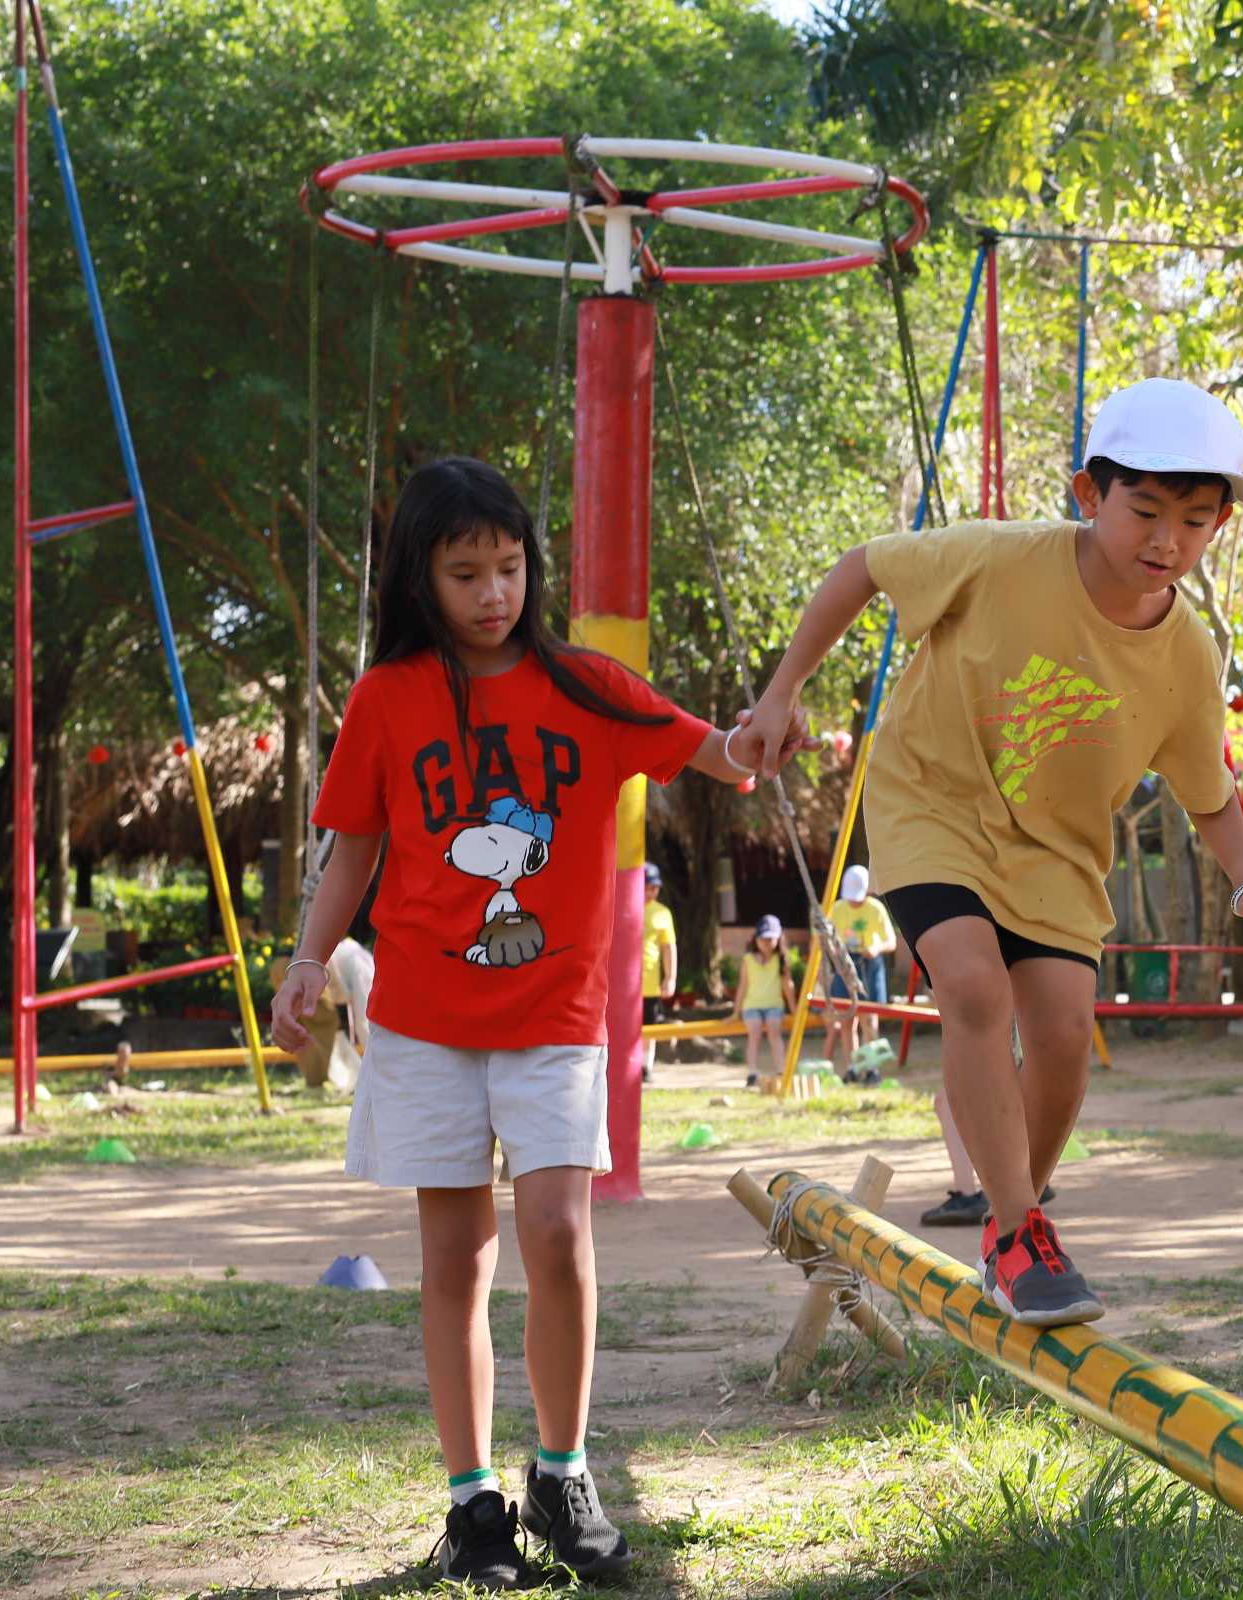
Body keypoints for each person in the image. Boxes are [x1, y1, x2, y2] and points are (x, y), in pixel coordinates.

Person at [269, 456, 797, 1590]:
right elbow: (353, 841)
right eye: (466, 572)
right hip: (421, 1022)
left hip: (556, 1015)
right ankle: (472, 1507)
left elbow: (722, 758)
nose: (493, 592)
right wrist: (311, 956)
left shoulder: (589, 685)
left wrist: (761, 729)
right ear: (420, 578)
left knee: (559, 1232)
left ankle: (561, 1472)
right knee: (456, 1256)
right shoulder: (388, 698)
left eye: (508, 567)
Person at [741, 378, 1243, 1326]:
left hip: (1055, 851)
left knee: (1063, 1037)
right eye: (1146, 511)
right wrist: (784, 689)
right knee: (970, 985)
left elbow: (1210, 798)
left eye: (1196, 522)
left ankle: (1013, 1231)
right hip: (934, 801)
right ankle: (1017, 1221)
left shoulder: (1188, 655)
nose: (1168, 541)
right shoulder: (998, 558)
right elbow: (863, 567)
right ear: (1090, 494)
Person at [826, 864, 896, 1082]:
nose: (855, 901)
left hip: (870, 964)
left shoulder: (876, 909)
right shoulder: (837, 909)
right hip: (845, 965)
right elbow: (826, 939)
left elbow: (891, 941)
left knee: (869, 1019)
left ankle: (872, 1068)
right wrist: (835, 952)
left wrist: (876, 948)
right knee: (847, 1020)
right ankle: (852, 1068)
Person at [736, 915, 791, 1090]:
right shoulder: (748, 960)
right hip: (752, 1005)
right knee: (755, 1031)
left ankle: (782, 1070)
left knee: (774, 1030)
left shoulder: (781, 959)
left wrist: (794, 1008)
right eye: (763, 939)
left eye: (770, 939)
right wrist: (736, 1011)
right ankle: (752, 1072)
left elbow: (788, 985)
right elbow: (742, 986)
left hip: (774, 1005)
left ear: (778, 939)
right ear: (756, 939)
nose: (766, 943)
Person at [640, 864, 676, 1065]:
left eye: (654, 887)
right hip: (623, 985)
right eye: (646, 886)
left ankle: (646, 1067)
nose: (650, 892)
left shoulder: (662, 912)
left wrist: (670, 978)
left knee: (650, 1027)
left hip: (650, 984)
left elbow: (668, 947)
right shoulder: (622, 904)